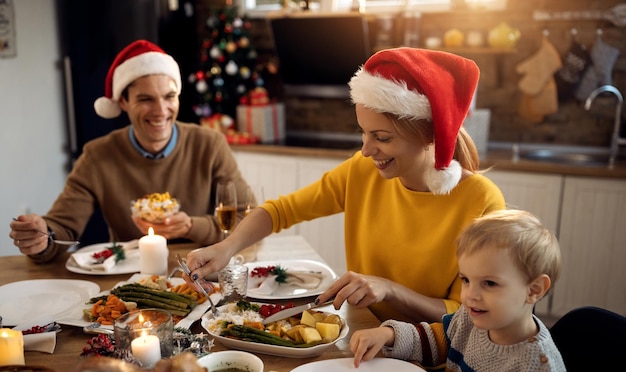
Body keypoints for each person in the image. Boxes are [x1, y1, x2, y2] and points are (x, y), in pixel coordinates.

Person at [186, 47, 505, 323]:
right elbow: (280, 211)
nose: (367, 150)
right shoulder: (362, 171)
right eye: (363, 133)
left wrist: (391, 290)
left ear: (431, 135)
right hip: (362, 334)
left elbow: (469, 313)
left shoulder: (480, 202)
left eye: (382, 138)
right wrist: (225, 249)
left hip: (432, 360)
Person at [9, 40, 251, 263]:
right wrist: (41, 237)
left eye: (169, 97)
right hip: (130, 281)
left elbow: (246, 220)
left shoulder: (209, 145)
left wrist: (191, 227)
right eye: (146, 99)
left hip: (203, 272)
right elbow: (61, 227)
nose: (161, 110)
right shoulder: (98, 155)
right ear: (122, 102)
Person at [349, 209, 571, 372]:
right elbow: (434, 342)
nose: (471, 295)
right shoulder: (470, 318)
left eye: (490, 283)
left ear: (534, 290)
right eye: (466, 279)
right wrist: (389, 334)